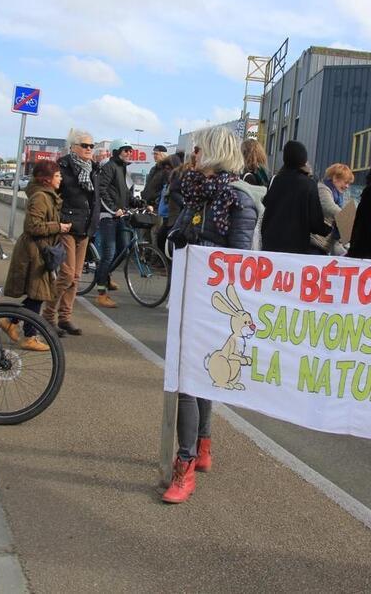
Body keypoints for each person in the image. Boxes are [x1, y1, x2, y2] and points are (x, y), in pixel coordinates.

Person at [163, 126, 257, 504]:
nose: (193, 156)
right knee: (197, 377)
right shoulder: (195, 193)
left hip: (212, 304)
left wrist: (196, 245)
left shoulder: (238, 200)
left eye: (198, 150)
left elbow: (238, 263)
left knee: (190, 379)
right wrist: (175, 238)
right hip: (188, 296)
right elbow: (174, 233)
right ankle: (202, 446)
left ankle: (185, 466)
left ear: (215, 153)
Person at [3, 159, 71, 351]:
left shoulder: (46, 195)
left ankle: (12, 322)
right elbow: (32, 226)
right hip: (35, 252)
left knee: (37, 294)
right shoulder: (41, 197)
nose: (60, 179)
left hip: (39, 250)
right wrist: (59, 227)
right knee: (37, 294)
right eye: (57, 176)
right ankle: (28, 335)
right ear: (46, 179)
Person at [43, 130, 100, 336]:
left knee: (75, 276)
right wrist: (56, 222)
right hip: (67, 226)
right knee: (66, 274)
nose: (88, 149)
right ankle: (48, 316)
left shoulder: (94, 169)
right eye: (84, 145)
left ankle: (65, 317)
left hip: (84, 228)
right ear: (73, 147)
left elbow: (95, 199)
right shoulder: (63, 166)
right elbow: (52, 194)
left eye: (91, 146)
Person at [94, 139, 144, 308]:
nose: (129, 153)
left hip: (119, 215)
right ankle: (101, 293)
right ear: (116, 152)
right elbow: (101, 190)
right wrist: (113, 209)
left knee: (123, 250)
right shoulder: (109, 167)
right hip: (108, 216)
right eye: (125, 150)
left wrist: (139, 203)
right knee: (109, 252)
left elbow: (127, 194)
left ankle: (105, 276)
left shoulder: (124, 170)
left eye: (130, 150)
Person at [261, 141, 330, 254]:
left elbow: (267, 205)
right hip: (295, 247)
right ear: (303, 160)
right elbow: (315, 222)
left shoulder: (276, 180)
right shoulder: (308, 184)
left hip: (270, 244)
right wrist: (329, 230)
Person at [311, 163, 354, 255]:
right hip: (315, 242)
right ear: (335, 178)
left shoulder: (338, 196)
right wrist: (350, 218)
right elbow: (329, 207)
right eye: (345, 182)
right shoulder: (323, 189)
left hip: (323, 244)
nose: (347, 186)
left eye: (349, 184)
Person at [155, 154, 185, 253]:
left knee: (167, 241)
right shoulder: (169, 181)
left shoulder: (179, 178)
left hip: (175, 217)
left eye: (169, 168)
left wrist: (182, 202)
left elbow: (179, 196)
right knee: (161, 240)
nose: (166, 171)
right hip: (168, 217)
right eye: (165, 168)